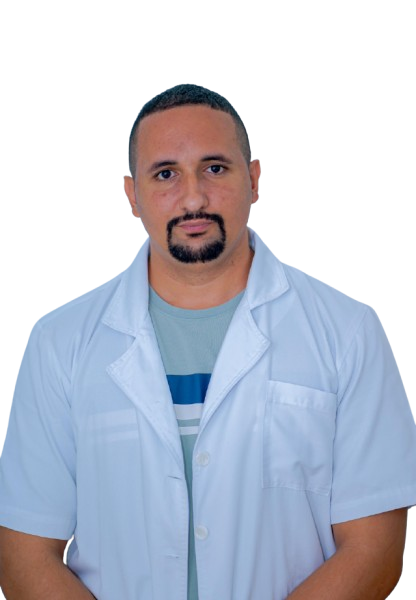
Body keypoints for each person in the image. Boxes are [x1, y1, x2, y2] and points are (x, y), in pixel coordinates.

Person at [0, 83, 415, 600]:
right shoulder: (59, 342)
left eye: (215, 168)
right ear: (132, 195)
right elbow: (25, 558)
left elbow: (374, 552)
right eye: (165, 174)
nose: (193, 198)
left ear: (254, 180)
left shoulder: (347, 331)